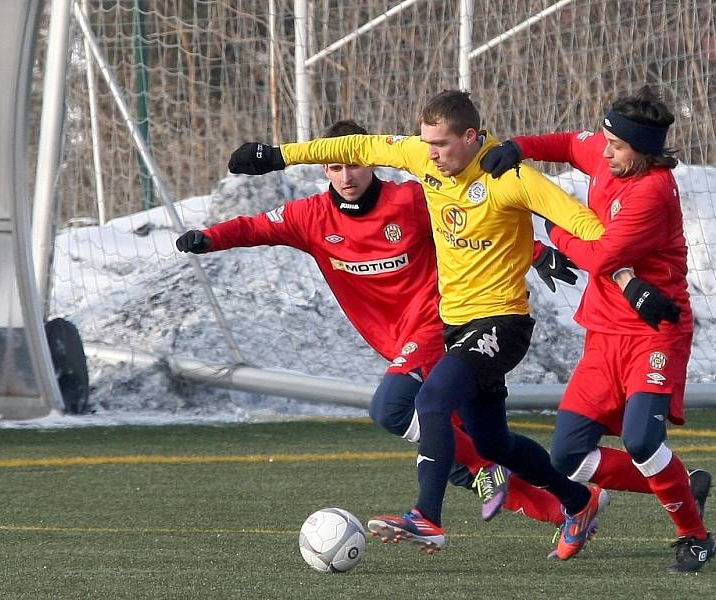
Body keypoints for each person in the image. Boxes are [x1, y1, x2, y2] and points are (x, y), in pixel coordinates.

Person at [225, 91, 620, 561]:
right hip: (457, 323)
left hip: (502, 321)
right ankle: (578, 500)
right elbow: (357, 147)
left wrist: (627, 279)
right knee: (494, 441)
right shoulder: (424, 158)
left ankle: (426, 518)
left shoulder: (511, 176)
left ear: (471, 138)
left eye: (441, 143)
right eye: (426, 142)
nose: (429, 153)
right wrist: (278, 156)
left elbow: (584, 223)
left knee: (430, 400)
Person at [175, 119, 574, 531]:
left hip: (440, 324)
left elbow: (476, 223)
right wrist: (208, 238)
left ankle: (461, 492)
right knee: (475, 452)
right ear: (324, 171)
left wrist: (538, 251)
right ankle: (571, 506)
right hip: (397, 341)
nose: (346, 176)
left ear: (370, 162)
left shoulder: (411, 201)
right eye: (335, 168)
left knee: (394, 409)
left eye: (354, 165)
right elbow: (254, 227)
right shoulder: (310, 217)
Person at [480, 85, 716, 572]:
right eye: (607, 141)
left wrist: (553, 228)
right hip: (605, 332)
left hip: (655, 332)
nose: (604, 152)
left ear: (644, 152)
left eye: (617, 147)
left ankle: (694, 536)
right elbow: (569, 144)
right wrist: (520, 146)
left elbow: (599, 255)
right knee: (568, 456)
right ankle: (682, 484)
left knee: (642, 442)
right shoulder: (609, 153)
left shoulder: (651, 192)